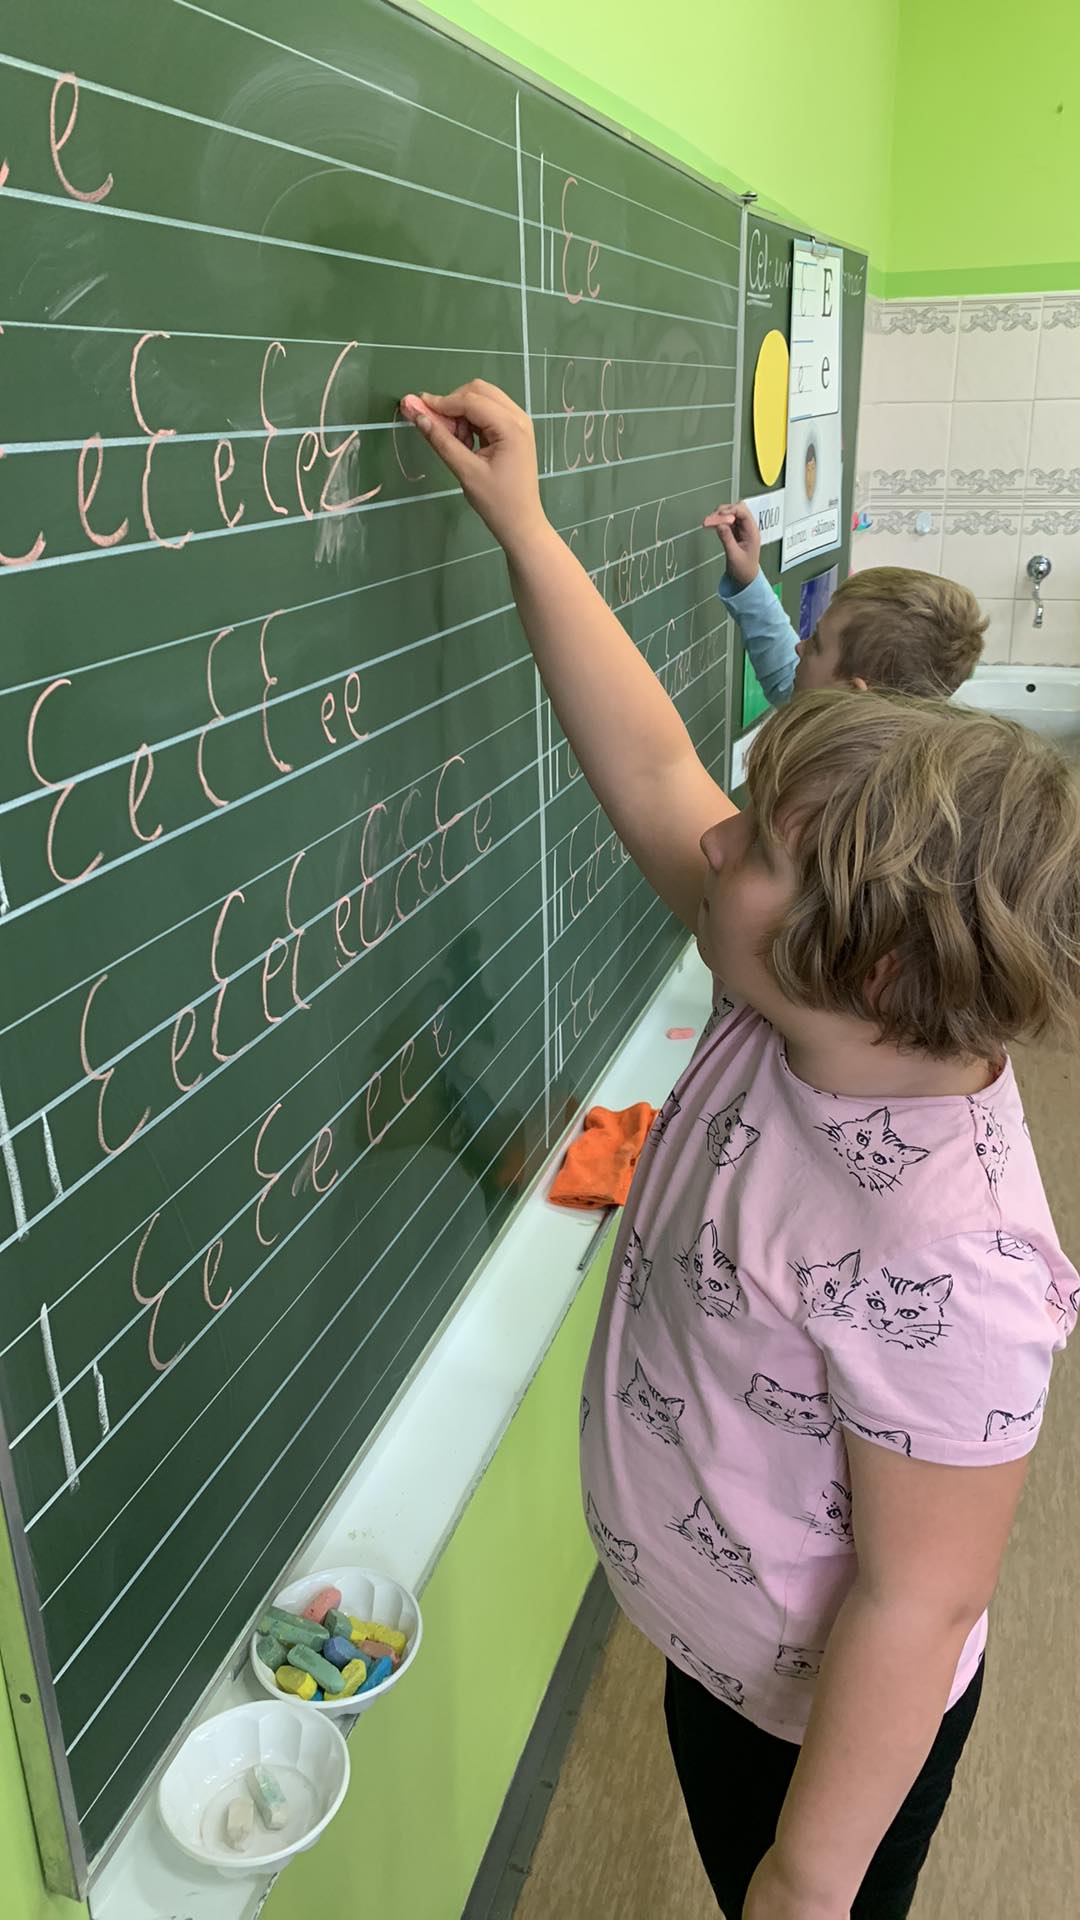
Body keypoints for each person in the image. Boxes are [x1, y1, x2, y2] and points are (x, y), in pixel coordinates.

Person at [402, 382, 1080, 1920]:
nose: (716, 837)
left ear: (876, 964)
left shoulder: (952, 1258)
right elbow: (652, 768)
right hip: (716, 1643)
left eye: (758, 841)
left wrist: (809, 1879)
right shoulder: (785, 1003)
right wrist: (525, 526)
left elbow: (923, 1597)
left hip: (816, 1728)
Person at [704, 499, 987, 703]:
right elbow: (789, 683)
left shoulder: (836, 767)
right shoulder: (849, 709)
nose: (799, 647)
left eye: (816, 645)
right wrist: (749, 579)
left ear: (853, 691)